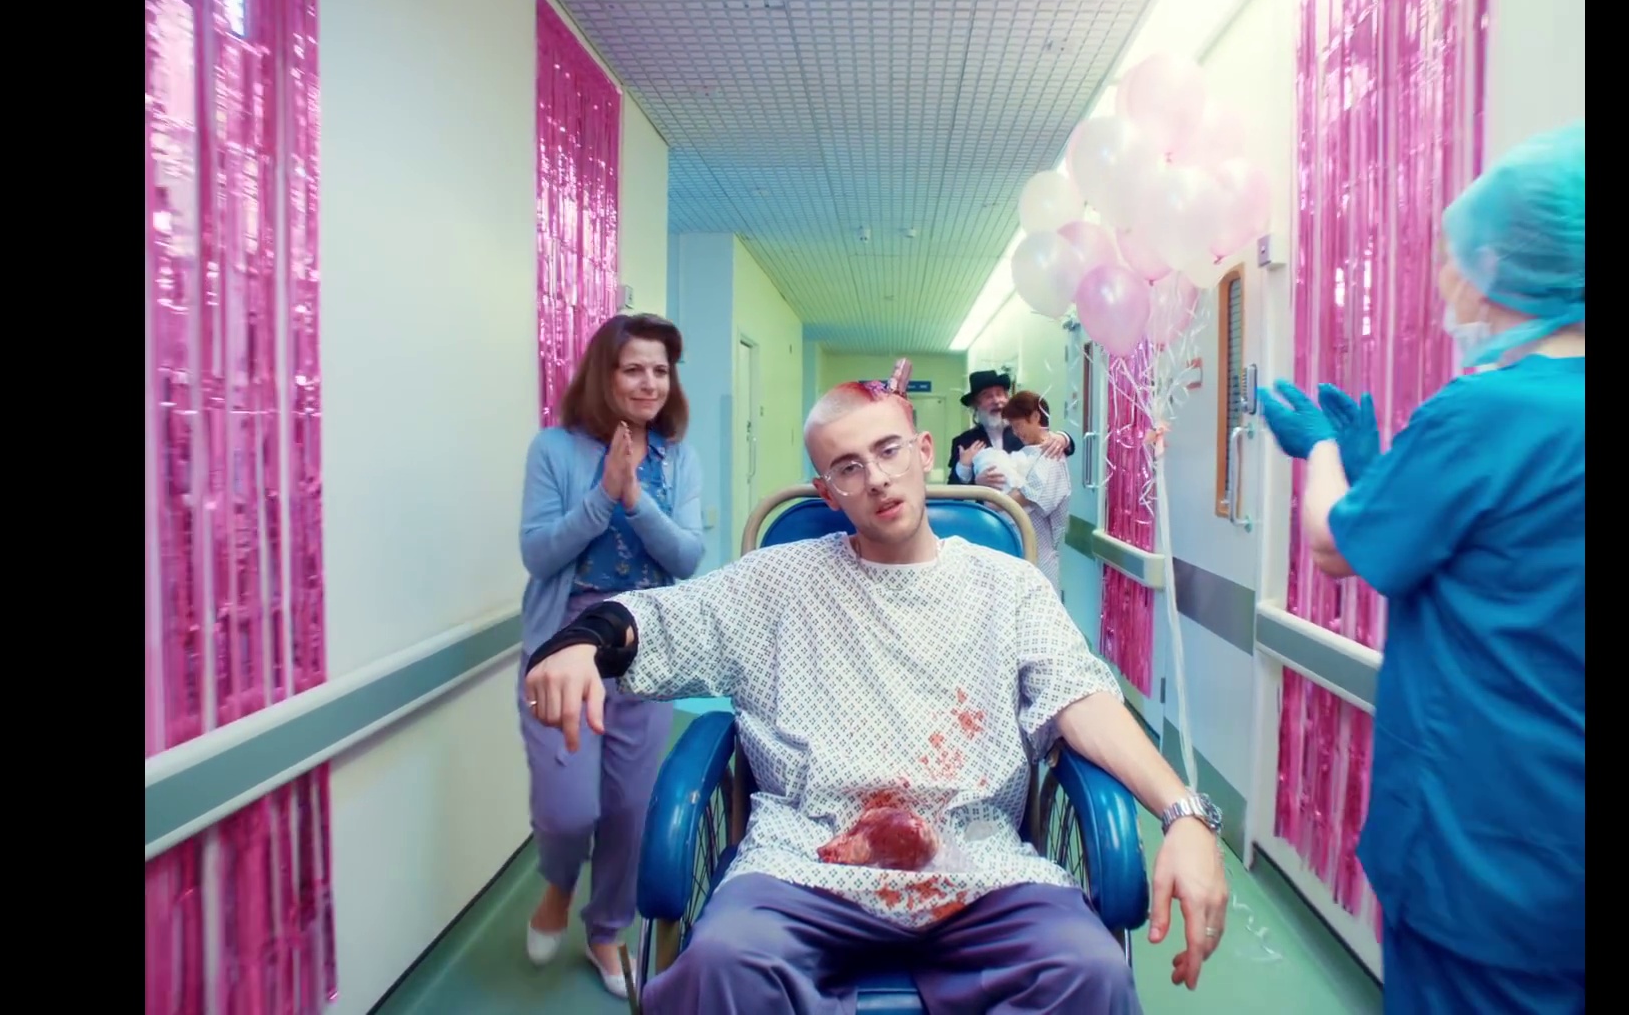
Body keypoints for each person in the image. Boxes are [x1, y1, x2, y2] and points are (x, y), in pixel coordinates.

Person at [525, 381, 1232, 1014]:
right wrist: (582, 642)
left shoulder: (1008, 587)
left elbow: (1081, 700)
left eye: (889, 450)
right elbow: (656, 620)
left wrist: (1184, 815)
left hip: (977, 860)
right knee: (721, 965)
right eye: (849, 467)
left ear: (923, 451)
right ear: (827, 491)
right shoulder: (778, 582)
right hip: (805, 861)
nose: (877, 479)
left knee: (1088, 972)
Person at [1258, 121, 1584, 1015]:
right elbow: (1491, 552)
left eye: (1457, 256)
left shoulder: (1488, 412)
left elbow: (1334, 547)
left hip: (1488, 846)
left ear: (1502, 266)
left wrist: (1322, 450)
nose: (1448, 278)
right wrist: (1383, 482)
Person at [516, 313, 705, 998]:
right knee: (568, 810)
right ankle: (559, 884)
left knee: (629, 807)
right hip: (565, 643)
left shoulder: (677, 457)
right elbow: (538, 554)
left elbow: (687, 557)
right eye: (634, 369)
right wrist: (603, 497)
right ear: (605, 374)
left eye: (660, 370)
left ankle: (607, 930)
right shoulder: (555, 450)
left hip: (646, 641)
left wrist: (637, 500)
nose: (650, 383)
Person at [947, 369, 1077, 486]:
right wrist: (971, 477)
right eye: (988, 396)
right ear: (975, 405)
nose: (996, 401)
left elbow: (1058, 447)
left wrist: (1063, 438)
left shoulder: (1024, 431)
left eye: (1000, 394)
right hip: (984, 505)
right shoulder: (965, 442)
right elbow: (952, 490)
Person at [1000, 389, 1073, 588]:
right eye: (1012, 427)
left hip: (1041, 550)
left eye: (1018, 425)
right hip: (1020, 546)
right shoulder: (1028, 451)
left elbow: (1030, 494)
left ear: (1035, 416)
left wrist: (994, 502)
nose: (1016, 432)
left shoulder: (1052, 452)